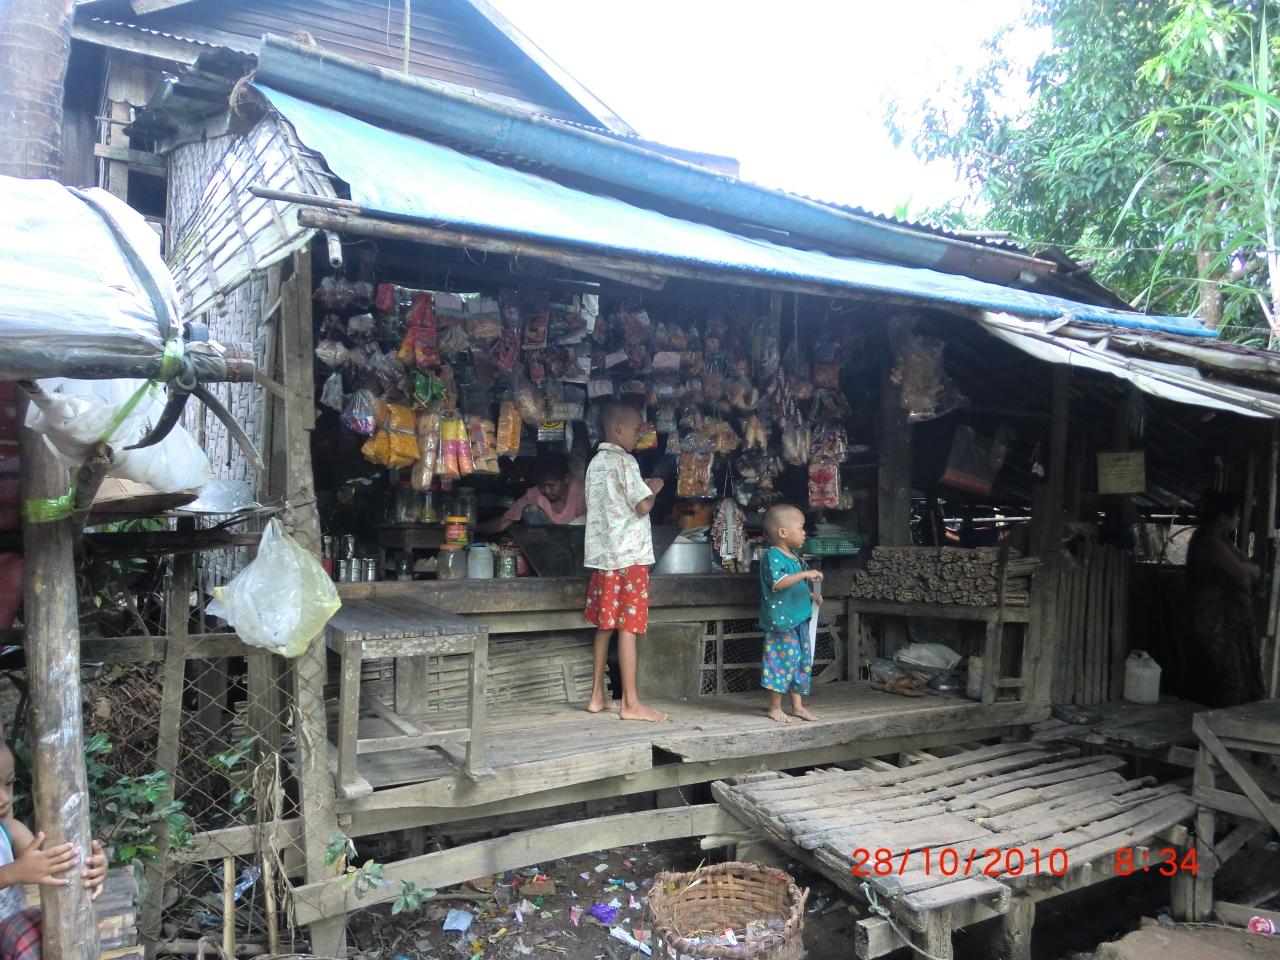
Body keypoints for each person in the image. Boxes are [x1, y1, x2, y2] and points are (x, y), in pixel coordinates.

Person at [583, 402, 666, 722]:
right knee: (629, 628)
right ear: (619, 430)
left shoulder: (595, 463)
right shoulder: (625, 461)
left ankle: (596, 696)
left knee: (606, 626)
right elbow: (642, 505)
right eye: (636, 429)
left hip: (605, 559)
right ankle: (630, 703)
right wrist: (653, 489)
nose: (639, 435)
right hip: (630, 558)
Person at [0, 742, 108, 959]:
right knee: (23, 929)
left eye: (8, 783)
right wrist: (12, 873)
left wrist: (92, 867)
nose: (4, 799)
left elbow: (56, 861)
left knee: (38, 928)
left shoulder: (9, 831)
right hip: (14, 938)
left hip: (12, 948)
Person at [1184, 491, 1264, 708]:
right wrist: (1247, 569)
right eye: (1236, 514)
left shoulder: (1221, 541)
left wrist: (1247, 568)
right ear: (1222, 517)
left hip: (1224, 623)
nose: (1239, 519)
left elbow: (1250, 568)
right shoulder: (1209, 542)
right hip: (1213, 624)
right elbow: (1243, 577)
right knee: (1226, 680)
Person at [759, 504, 823, 724]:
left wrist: (812, 596)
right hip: (782, 621)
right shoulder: (773, 556)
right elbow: (779, 583)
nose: (804, 532)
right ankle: (774, 707)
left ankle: (797, 706)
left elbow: (796, 586)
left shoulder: (794, 556)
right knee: (782, 660)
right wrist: (805, 574)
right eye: (801, 527)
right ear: (783, 532)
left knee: (800, 660)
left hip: (799, 618)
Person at [478, 456, 585, 534]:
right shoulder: (535, 494)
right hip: (549, 546)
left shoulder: (582, 491)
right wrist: (475, 528)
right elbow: (503, 523)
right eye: (542, 485)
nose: (546, 491)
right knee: (531, 510)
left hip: (578, 545)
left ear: (566, 479)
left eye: (551, 485)